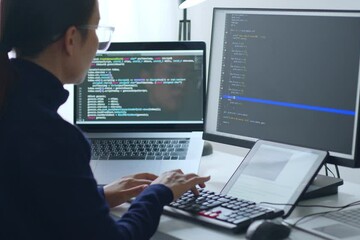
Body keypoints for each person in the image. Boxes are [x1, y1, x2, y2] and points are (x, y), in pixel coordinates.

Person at [0, 0, 210, 239]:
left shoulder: (12, 104)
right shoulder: (54, 137)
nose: (99, 43)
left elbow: (26, 204)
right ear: (71, 40)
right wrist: (158, 192)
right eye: (95, 29)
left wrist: (95, 196)